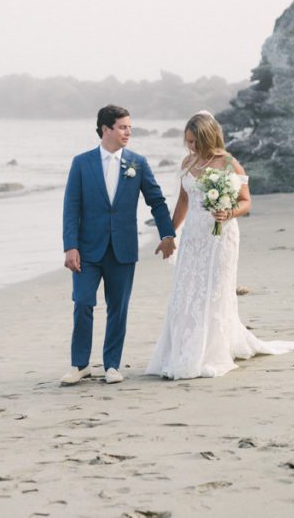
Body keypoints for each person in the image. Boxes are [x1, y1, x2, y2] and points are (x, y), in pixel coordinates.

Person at [145, 111, 294, 379]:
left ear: (208, 137)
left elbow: (246, 200)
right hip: (193, 236)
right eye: (188, 142)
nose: (191, 147)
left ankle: (209, 352)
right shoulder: (188, 162)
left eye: (195, 142)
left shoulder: (229, 164)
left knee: (213, 291)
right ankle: (181, 349)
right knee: (186, 291)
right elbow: (183, 201)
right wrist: (169, 235)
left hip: (220, 236)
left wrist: (228, 213)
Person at [61, 104, 177, 385]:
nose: (128, 132)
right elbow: (71, 207)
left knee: (118, 307)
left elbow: (157, 201)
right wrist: (70, 246)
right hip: (87, 250)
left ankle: (112, 365)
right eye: (123, 127)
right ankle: (80, 365)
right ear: (106, 129)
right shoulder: (81, 163)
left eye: (129, 128)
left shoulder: (137, 163)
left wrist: (167, 235)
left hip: (123, 248)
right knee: (83, 303)